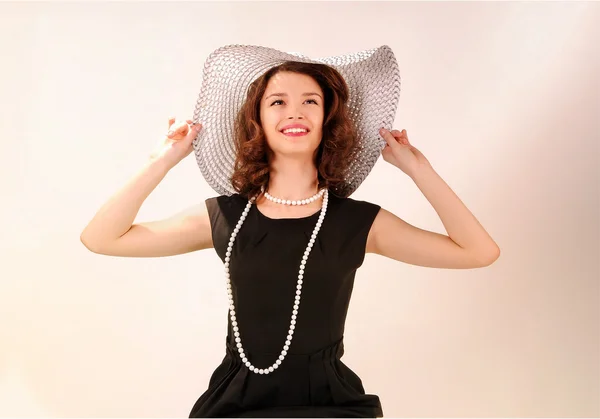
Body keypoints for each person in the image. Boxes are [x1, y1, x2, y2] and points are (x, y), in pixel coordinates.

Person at [81, 47, 500, 418]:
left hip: (330, 405)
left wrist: (418, 169)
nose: (294, 112)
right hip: (236, 404)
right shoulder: (226, 217)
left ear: (327, 119)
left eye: (310, 101)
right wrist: (163, 159)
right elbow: (101, 238)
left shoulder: (359, 223)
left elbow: (478, 251)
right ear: (258, 120)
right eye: (277, 102)